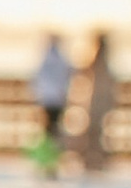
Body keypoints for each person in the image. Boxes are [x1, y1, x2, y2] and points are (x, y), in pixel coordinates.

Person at [76, 30, 117, 177]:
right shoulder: (104, 59)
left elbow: (84, 72)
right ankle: (94, 161)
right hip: (100, 100)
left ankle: (94, 161)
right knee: (96, 132)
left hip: (97, 100)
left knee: (95, 131)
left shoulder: (100, 58)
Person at [29, 34, 72, 173]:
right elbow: (66, 75)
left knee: (49, 132)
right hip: (54, 99)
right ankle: (49, 161)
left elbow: (38, 79)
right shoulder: (57, 58)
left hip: (48, 99)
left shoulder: (48, 58)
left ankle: (47, 161)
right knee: (53, 132)